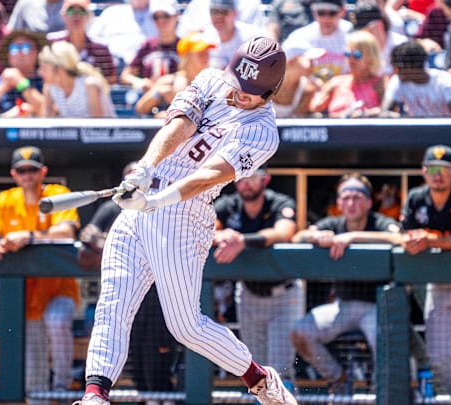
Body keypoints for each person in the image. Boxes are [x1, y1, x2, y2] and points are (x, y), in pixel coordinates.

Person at [74, 36, 297, 405]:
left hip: (184, 212)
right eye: (239, 84)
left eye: (251, 91)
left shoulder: (264, 131)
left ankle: (260, 379)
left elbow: (212, 172)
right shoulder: (211, 79)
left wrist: (164, 195)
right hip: (143, 205)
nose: (240, 94)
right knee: (113, 303)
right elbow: (179, 124)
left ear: (269, 92)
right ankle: (96, 394)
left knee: (185, 326)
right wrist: (146, 168)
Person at [0, 146, 80, 405]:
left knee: (56, 321)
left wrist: (29, 237)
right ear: (14, 174)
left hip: (59, 290)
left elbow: (67, 232)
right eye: (22, 170)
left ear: (43, 171)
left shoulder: (57, 194)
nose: (27, 175)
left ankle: (63, 386)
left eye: (32, 169)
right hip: (26, 299)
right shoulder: (6, 200)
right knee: (34, 377)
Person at [290, 173, 403, 395]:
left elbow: (398, 237)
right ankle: (337, 377)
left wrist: (353, 237)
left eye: (357, 197)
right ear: (339, 202)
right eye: (346, 197)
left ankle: (381, 393)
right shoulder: (333, 223)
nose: (351, 203)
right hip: (343, 305)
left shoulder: (378, 222)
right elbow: (298, 238)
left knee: (383, 343)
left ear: (369, 202)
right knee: (300, 332)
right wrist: (317, 237)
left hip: (376, 306)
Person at [77, 162, 179, 405]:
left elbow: (163, 250)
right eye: (128, 178)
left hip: (159, 301)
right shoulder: (111, 209)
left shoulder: (158, 206)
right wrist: (126, 251)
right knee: (134, 365)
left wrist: (131, 250)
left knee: (157, 365)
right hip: (127, 297)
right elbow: (87, 238)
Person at [212, 168, 302, 389]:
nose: (246, 183)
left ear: (265, 179)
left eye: (252, 177)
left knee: (280, 369)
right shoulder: (228, 204)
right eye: (242, 178)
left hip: (284, 294)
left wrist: (243, 241)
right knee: (253, 366)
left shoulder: (279, 202)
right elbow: (202, 229)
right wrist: (220, 235)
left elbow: (285, 232)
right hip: (248, 293)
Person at [401, 144, 451, 396]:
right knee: (439, 357)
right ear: (423, 172)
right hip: (438, 284)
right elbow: (408, 235)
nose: (438, 174)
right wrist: (415, 240)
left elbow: (427, 238)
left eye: (444, 169)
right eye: (433, 168)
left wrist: (431, 240)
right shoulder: (416, 199)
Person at [0, 29, 48, 117]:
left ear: (36, 53)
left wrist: (21, 83)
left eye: (26, 47)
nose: (19, 53)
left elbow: (49, 111)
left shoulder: (44, 81)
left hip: (34, 129)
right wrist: (1, 89)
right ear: (8, 55)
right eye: (13, 48)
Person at [134, 31, 214, 117]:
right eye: (200, 53)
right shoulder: (169, 81)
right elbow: (140, 108)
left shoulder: (212, 82)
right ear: (187, 56)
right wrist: (158, 93)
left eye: (207, 52)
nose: (206, 56)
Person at [309, 30, 386, 118]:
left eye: (357, 55)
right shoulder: (337, 82)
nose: (351, 59)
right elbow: (314, 107)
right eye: (348, 54)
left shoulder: (379, 83)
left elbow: (387, 111)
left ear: (371, 57)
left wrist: (364, 114)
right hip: (338, 130)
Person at [46, 0, 117, 85]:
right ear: (63, 16)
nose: (76, 15)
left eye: (82, 11)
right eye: (70, 11)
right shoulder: (52, 43)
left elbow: (110, 81)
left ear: (89, 16)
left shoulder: (101, 48)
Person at [37, 41, 116, 117]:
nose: (39, 72)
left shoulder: (90, 85)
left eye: (44, 68)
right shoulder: (49, 88)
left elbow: (98, 127)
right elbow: (44, 123)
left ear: (60, 70)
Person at [381, 40, 451, 117]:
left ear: (410, 67)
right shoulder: (397, 81)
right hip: (414, 129)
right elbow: (385, 111)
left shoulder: (444, 79)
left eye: (396, 68)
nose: (395, 72)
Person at [284, 0, 353, 81]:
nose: (326, 19)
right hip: (310, 91)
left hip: (343, 90)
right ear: (314, 12)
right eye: (321, 13)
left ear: (342, 11)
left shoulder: (352, 36)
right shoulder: (299, 38)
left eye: (332, 13)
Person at [120, 0, 180, 92]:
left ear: (176, 16)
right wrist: (139, 82)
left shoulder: (184, 46)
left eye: (166, 16)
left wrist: (172, 79)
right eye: (156, 17)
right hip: (148, 99)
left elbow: (191, 75)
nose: (161, 21)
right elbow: (125, 75)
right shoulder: (147, 45)